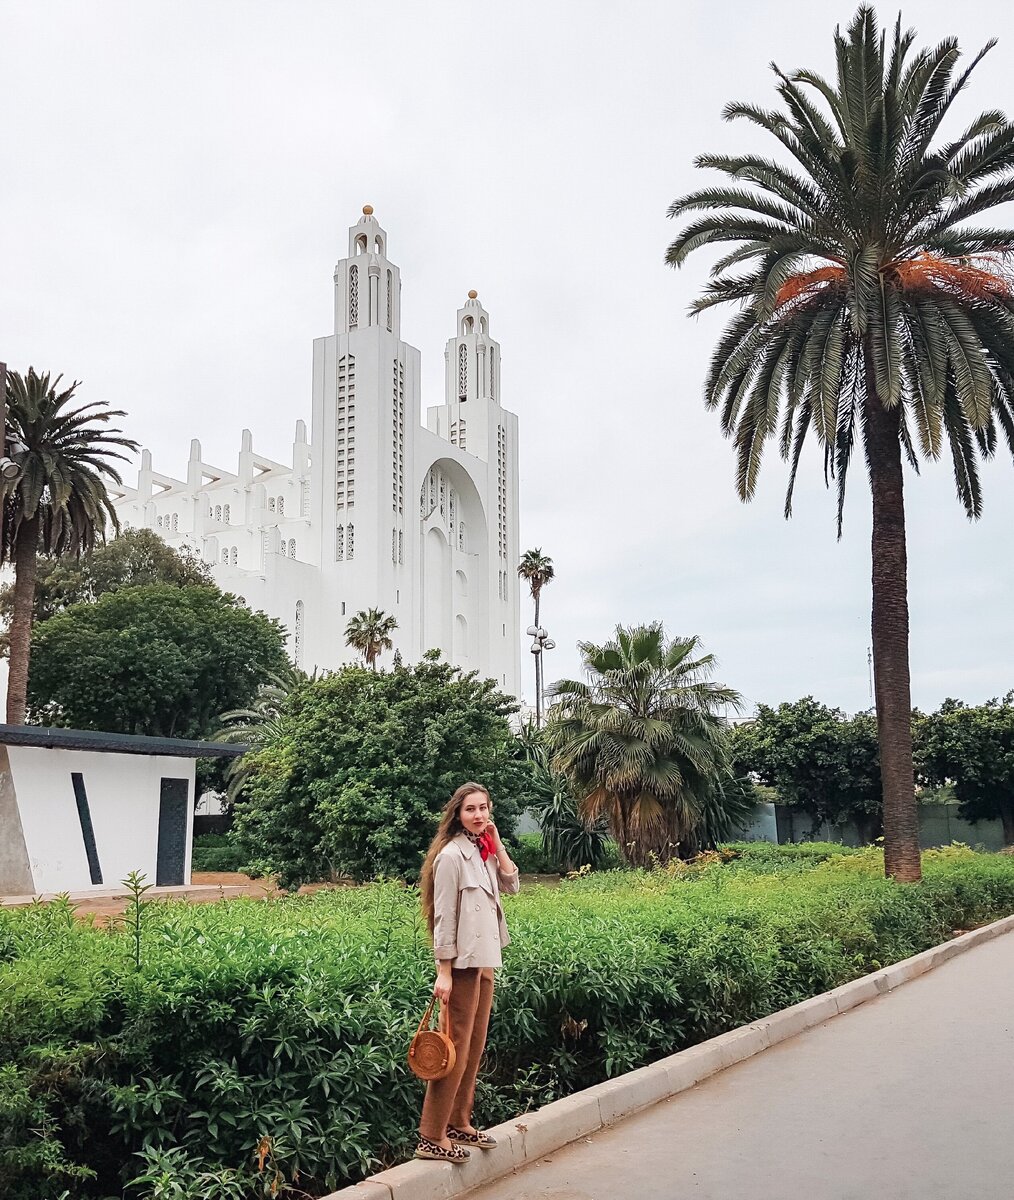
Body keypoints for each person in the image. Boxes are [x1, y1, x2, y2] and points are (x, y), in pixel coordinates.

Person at [415, 781, 520, 1163]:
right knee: (453, 1049)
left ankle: (459, 1122)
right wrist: (443, 971)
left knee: (473, 1047)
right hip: (460, 966)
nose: (479, 815)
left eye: (484, 808)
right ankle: (431, 1134)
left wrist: (497, 841)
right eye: (471, 809)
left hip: (485, 961)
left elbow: (513, 885)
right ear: (457, 814)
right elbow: (443, 917)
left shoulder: (483, 850)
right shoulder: (450, 856)